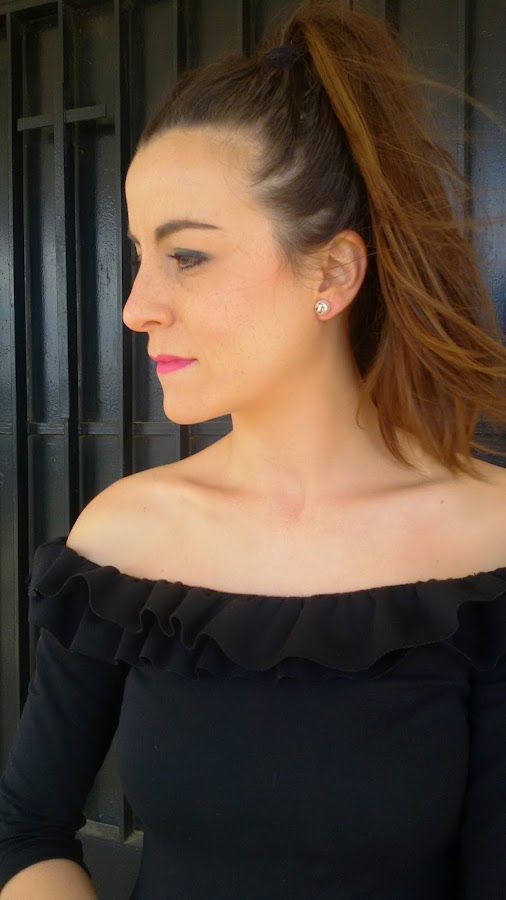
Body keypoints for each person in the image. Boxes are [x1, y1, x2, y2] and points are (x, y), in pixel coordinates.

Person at [1, 1, 505, 897]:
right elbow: (27, 829)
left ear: (333, 272)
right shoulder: (122, 540)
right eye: (139, 255)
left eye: (187, 256)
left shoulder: (486, 542)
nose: (136, 307)